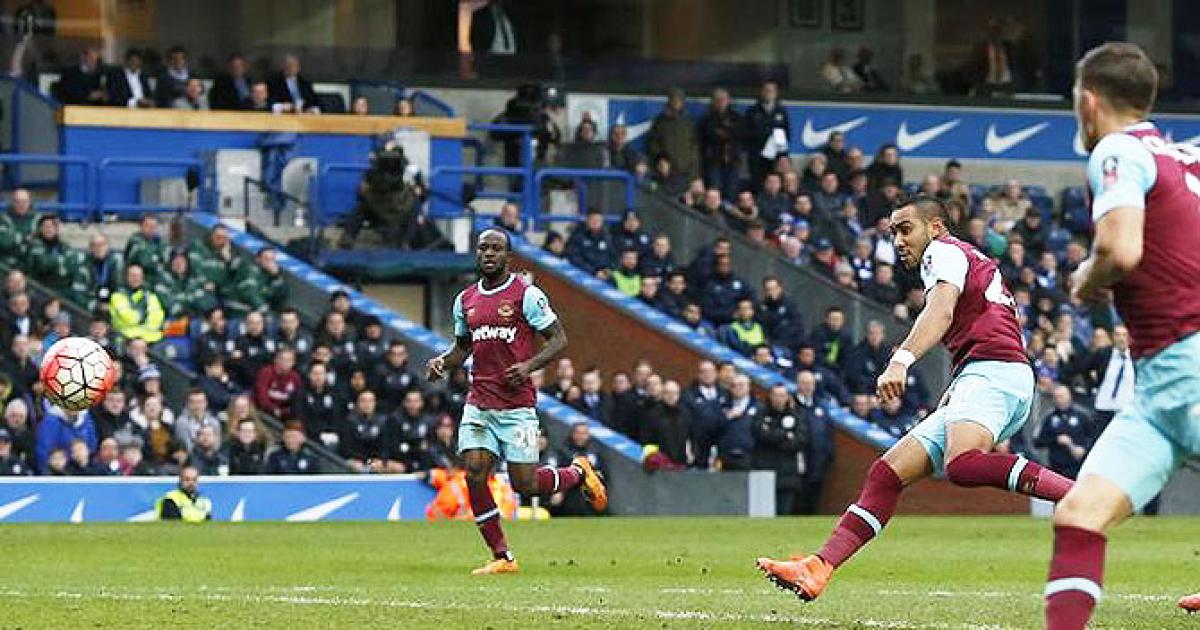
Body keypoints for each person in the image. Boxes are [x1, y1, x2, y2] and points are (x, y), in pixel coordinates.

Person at [757, 194, 1074, 600]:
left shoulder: (942, 251)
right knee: (886, 474)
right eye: (893, 233)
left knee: (962, 464)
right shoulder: (965, 257)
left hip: (994, 373)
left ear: (936, 227)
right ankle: (819, 566)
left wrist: (900, 360)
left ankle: (1080, 496)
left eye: (906, 229)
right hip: (990, 374)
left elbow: (941, 312)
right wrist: (959, 386)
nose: (899, 241)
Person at [1041, 43, 1200, 625]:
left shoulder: (1116, 150)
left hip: (1188, 366)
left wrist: (1087, 279)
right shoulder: (1182, 158)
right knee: (1079, 514)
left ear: (1088, 101)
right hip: (1157, 390)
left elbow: (1120, 249)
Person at [424, 228, 606, 575]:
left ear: (508, 256)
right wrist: (442, 363)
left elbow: (558, 339)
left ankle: (578, 472)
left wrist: (529, 366)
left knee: (525, 483)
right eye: (483, 248)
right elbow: (463, 347)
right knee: (474, 473)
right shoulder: (465, 300)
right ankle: (502, 556)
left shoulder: (526, 295)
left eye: (496, 249)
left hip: (516, 407)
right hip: (479, 403)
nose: (489, 254)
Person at [645, 88, 699, 181]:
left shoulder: (689, 122)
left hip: (686, 172)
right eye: (674, 100)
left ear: (683, 102)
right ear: (669, 101)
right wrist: (661, 159)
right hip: (665, 171)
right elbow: (652, 144)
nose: (676, 102)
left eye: (679, 100)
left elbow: (694, 147)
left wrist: (695, 173)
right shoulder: (660, 121)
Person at [109, 264, 165, 344]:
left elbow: (157, 318)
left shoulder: (150, 296)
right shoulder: (117, 296)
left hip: (151, 339)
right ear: (126, 277)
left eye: (138, 275)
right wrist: (145, 316)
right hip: (126, 339)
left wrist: (141, 319)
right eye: (132, 275)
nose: (136, 278)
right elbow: (128, 318)